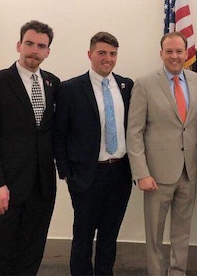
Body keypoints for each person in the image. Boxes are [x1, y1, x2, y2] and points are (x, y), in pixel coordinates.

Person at [0, 20, 60, 275]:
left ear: (47, 52)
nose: (34, 50)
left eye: (41, 46)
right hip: (4, 191)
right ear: (18, 45)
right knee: (0, 261)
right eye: (29, 43)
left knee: (30, 258)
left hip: (40, 190)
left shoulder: (53, 84)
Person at [126, 32, 197, 276]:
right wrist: (141, 173)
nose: (174, 56)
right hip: (156, 174)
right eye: (169, 51)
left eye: (179, 51)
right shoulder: (144, 83)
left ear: (187, 54)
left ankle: (177, 272)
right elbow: (134, 132)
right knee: (154, 234)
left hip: (189, 171)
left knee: (182, 231)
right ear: (160, 53)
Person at [54, 32, 133, 275]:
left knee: (110, 235)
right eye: (102, 53)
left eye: (112, 54)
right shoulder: (70, 89)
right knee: (83, 236)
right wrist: (66, 173)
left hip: (119, 172)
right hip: (86, 175)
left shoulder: (126, 86)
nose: (107, 58)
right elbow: (59, 134)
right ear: (90, 54)